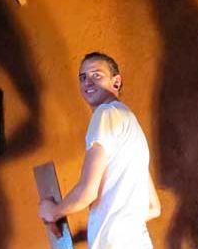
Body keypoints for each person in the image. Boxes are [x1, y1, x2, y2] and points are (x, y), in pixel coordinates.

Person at [38, 52, 161, 249]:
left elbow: (87, 191)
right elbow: (153, 208)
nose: (87, 82)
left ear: (116, 82)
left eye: (96, 75)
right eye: (83, 77)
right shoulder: (131, 126)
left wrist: (52, 211)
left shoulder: (105, 114)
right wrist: (106, 224)